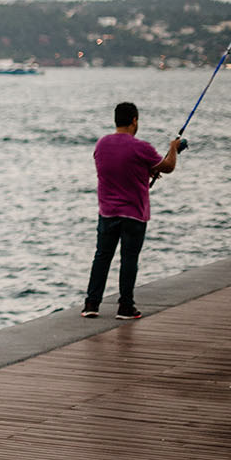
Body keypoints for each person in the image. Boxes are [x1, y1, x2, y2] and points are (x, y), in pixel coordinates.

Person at [82, 102, 181, 320]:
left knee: (102, 257)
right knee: (129, 259)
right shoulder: (141, 147)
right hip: (133, 214)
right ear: (134, 120)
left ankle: (91, 304)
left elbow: (118, 170)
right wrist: (173, 147)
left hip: (107, 212)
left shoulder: (101, 144)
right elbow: (168, 166)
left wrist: (145, 172)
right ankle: (125, 307)